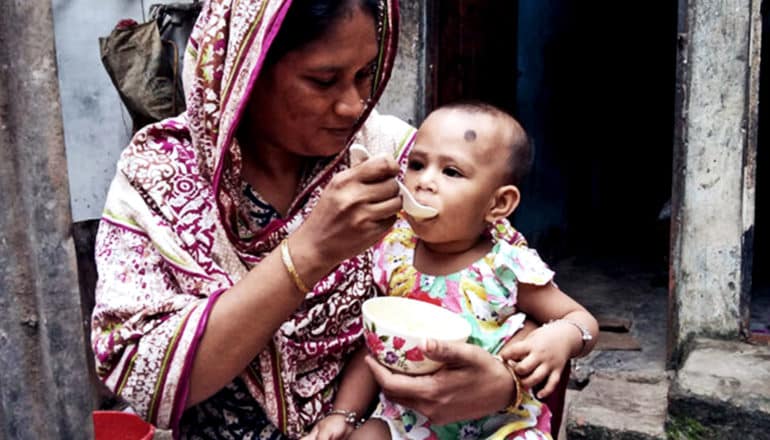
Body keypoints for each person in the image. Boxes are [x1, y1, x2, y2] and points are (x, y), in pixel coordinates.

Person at [91, 1, 550, 438]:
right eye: (324, 80)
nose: (353, 105)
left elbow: (506, 283)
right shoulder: (160, 175)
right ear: (246, 69)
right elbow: (144, 378)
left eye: (365, 75)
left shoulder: (393, 156)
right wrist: (309, 253)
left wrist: (506, 383)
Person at [303, 102, 598, 440]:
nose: (424, 182)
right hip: (409, 419)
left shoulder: (506, 267)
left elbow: (580, 318)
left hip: (497, 422)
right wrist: (343, 414)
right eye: (416, 165)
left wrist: (562, 337)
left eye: (451, 172)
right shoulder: (394, 252)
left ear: (498, 204)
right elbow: (373, 346)